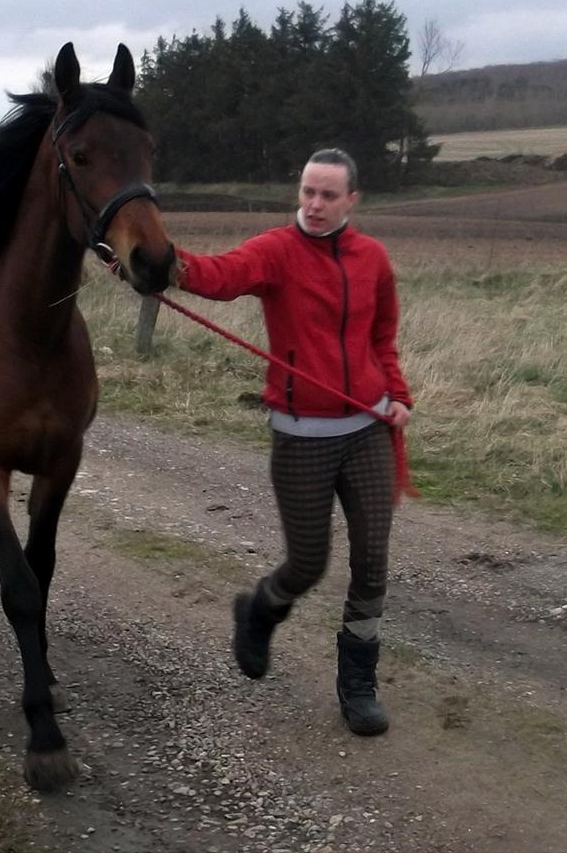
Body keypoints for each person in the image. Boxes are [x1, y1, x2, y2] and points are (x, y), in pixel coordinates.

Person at [174, 148, 412, 736]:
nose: (314, 204)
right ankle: (259, 609)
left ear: (353, 200)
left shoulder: (373, 258)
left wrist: (398, 393)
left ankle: (358, 682)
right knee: (308, 564)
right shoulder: (277, 251)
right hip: (302, 436)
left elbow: (383, 336)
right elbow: (219, 275)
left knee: (372, 562)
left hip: (368, 431)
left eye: (328, 195)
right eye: (307, 191)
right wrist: (158, 262)